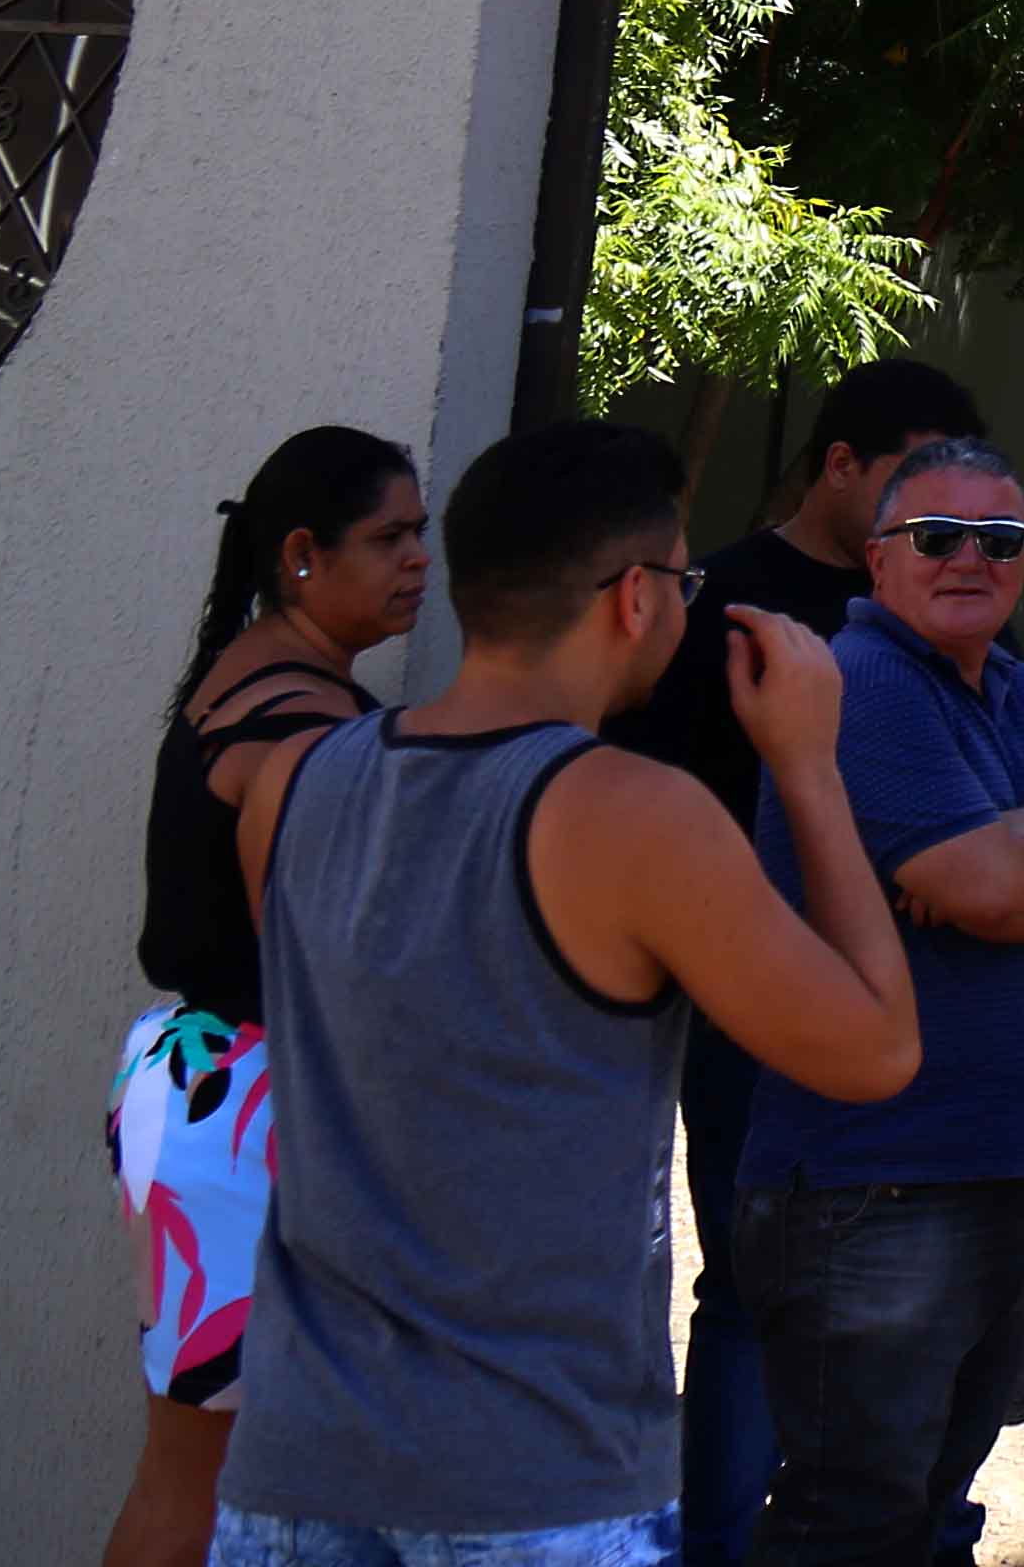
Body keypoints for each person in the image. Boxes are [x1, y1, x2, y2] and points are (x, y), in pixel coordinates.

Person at [209, 420, 922, 1567]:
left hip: (297, 1463)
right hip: (536, 1478)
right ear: (633, 599)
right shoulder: (632, 815)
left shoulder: (293, 781)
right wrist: (808, 762)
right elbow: (876, 1049)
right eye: (681, 579)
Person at [736, 435, 1024, 1567]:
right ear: (879, 561)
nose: (968, 560)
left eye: (999, 541)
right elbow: (986, 892)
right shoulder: (866, 684)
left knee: (936, 1500)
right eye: (936, 537)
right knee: (855, 1514)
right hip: (873, 1177)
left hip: (1002, 1164)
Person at [607, 355, 989, 1567]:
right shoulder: (712, 603)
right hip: (749, 1012)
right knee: (749, 1294)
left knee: (931, 1304)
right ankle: (716, 1545)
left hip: (929, 1011)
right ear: (839, 467)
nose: (935, 525)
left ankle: (926, 1529)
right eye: (907, 484)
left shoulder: (951, 593)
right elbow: (649, 806)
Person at [104, 426, 430, 1567]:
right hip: (250, 1098)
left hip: (202, 1084)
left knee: (193, 1473)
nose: (418, 560)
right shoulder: (301, 722)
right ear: (301, 554)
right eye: (389, 536)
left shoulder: (260, 680)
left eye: (422, 534)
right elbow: (342, 949)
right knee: (214, 1485)